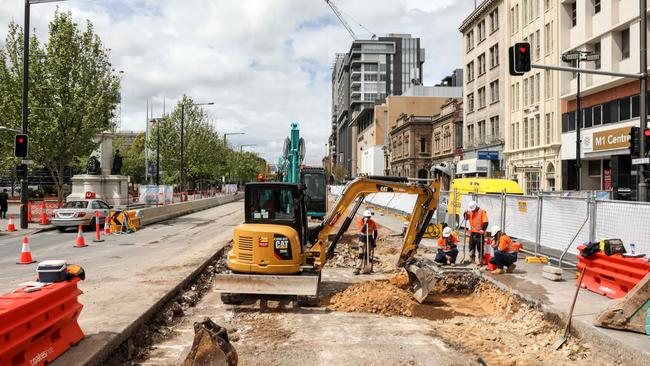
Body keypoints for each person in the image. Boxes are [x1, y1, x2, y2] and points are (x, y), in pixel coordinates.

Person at [354, 210, 377, 275]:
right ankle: (357, 269)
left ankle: (365, 269)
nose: (368, 218)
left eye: (369, 217)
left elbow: (375, 231)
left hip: (369, 238)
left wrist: (374, 240)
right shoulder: (360, 221)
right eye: (367, 217)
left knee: (367, 255)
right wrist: (365, 223)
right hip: (362, 239)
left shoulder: (372, 222)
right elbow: (363, 231)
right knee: (361, 254)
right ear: (364, 216)